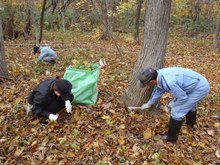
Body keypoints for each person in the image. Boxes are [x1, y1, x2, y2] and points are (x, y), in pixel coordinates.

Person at [137, 67, 210, 142]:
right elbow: (158, 91)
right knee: (189, 105)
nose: (146, 86)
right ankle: (190, 124)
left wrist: (170, 106)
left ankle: (171, 138)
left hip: (199, 88)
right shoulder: (159, 75)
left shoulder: (169, 82)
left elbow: (182, 98)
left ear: (152, 81)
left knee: (177, 111)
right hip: (193, 84)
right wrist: (149, 104)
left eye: (146, 84)